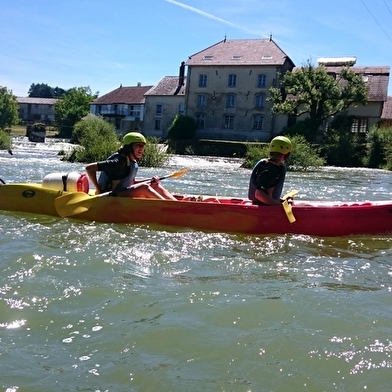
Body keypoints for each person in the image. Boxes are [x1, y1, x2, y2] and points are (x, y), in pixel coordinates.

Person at [85, 132, 176, 200]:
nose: (142, 149)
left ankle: (175, 204)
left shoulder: (133, 162)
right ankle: (168, 207)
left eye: (143, 146)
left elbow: (130, 183)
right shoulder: (119, 162)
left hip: (122, 192)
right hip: (111, 195)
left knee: (154, 185)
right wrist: (98, 189)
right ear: (129, 147)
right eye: (138, 145)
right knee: (145, 187)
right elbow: (89, 168)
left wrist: (151, 180)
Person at [248, 136, 292, 206]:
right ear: (285, 155)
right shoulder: (269, 170)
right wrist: (279, 206)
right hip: (262, 209)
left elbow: (267, 192)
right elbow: (259, 194)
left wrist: (281, 201)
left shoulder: (270, 166)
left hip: (262, 205)